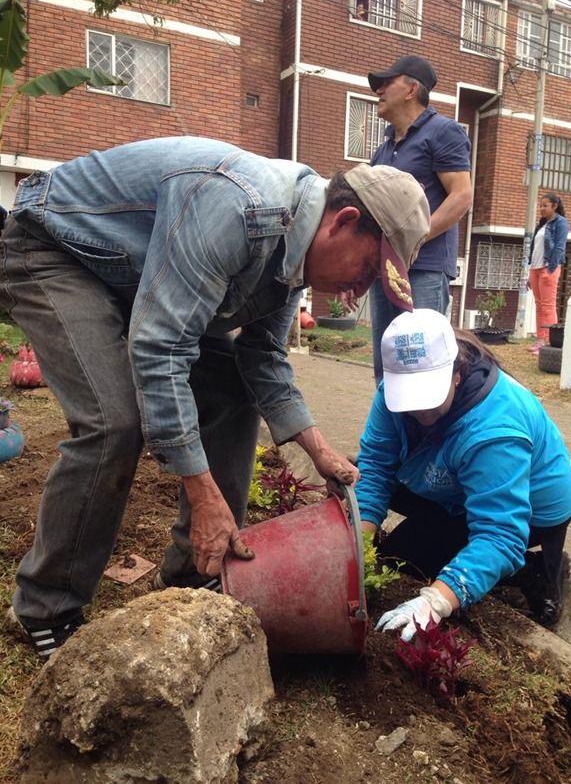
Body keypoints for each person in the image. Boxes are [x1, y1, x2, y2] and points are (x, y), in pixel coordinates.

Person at [0, 137, 430, 658]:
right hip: (60, 248)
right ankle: (47, 605)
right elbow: (159, 349)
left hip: (143, 274)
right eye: (366, 270)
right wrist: (204, 495)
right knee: (114, 421)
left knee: (231, 387)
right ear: (342, 221)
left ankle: (193, 571)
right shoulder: (239, 207)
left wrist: (318, 450)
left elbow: (262, 358)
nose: (358, 292)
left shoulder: (296, 248)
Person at [356, 309, 571, 642]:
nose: (419, 409)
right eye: (408, 395)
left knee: (427, 560)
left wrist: (434, 602)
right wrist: (359, 547)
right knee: (397, 558)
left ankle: (538, 571)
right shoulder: (392, 392)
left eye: (428, 393)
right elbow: (376, 463)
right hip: (457, 483)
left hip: (534, 508)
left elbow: (500, 533)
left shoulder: (495, 428)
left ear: (456, 373)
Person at [365, 54, 473, 385]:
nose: (378, 91)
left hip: (424, 268)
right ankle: (389, 435)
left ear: (412, 89)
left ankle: (431, 436)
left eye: (386, 83)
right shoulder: (383, 151)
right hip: (386, 271)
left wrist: (413, 238)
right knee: (387, 364)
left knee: (423, 361)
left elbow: (461, 195)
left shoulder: (443, 132)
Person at [526, 193, 570, 354]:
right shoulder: (542, 225)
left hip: (548, 268)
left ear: (554, 206)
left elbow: (559, 247)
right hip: (535, 269)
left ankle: (551, 343)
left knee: (548, 306)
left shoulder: (561, 223)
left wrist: (551, 269)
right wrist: (530, 270)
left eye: (545, 205)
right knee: (539, 306)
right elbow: (535, 249)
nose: (541, 208)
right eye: (541, 205)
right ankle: (540, 340)